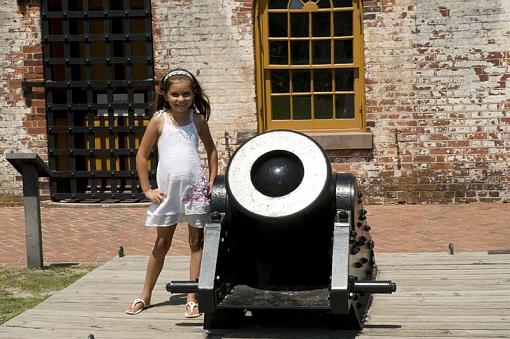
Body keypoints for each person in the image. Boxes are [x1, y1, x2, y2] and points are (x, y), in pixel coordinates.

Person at [126, 69, 218, 317]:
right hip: (167, 193)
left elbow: (211, 151)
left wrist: (211, 181)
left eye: (186, 94)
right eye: (175, 94)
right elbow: (142, 155)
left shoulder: (197, 120)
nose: (181, 99)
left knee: (196, 242)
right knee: (162, 243)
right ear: (165, 95)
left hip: (195, 190)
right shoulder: (159, 119)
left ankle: (192, 296)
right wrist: (147, 189)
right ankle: (145, 294)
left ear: (193, 93)